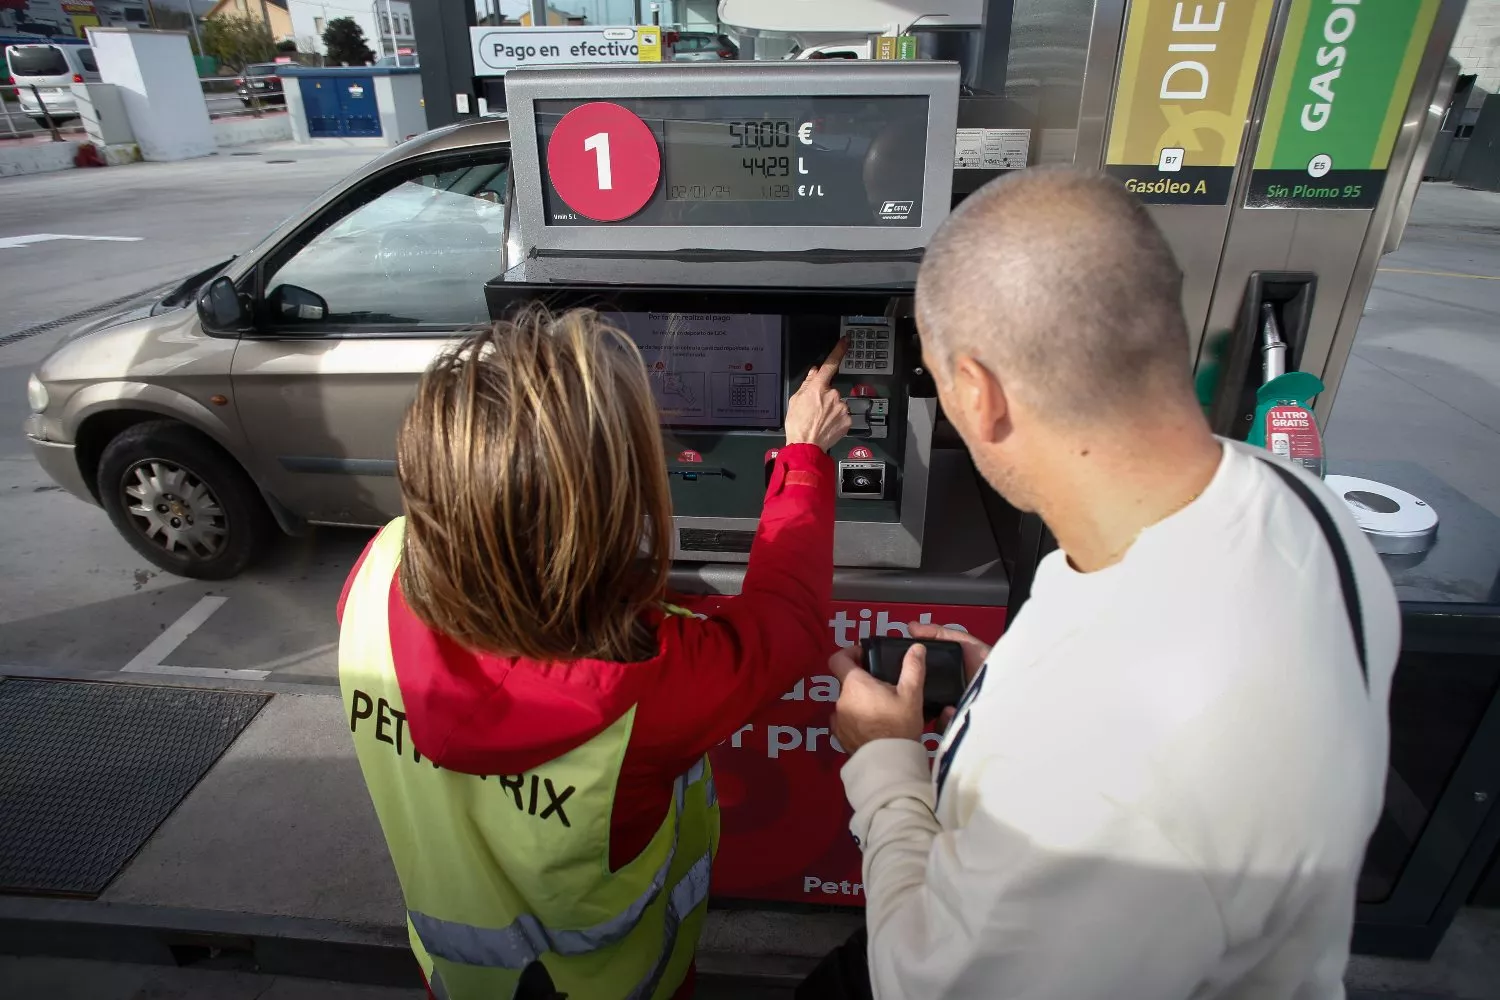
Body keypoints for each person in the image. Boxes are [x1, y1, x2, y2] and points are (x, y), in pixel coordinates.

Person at [817, 168, 1400, 999]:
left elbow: (926, 983)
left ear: (978, 394)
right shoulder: (1290, 497)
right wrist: (1010, 686)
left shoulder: (1111, 772)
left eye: (939, 384)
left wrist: (884, 765)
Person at [337, 308, 851, 1000]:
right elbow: (787, 621)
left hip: (461, 981)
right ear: (606, 517)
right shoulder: (649, 683)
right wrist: (804, 457)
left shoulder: (378, 568)